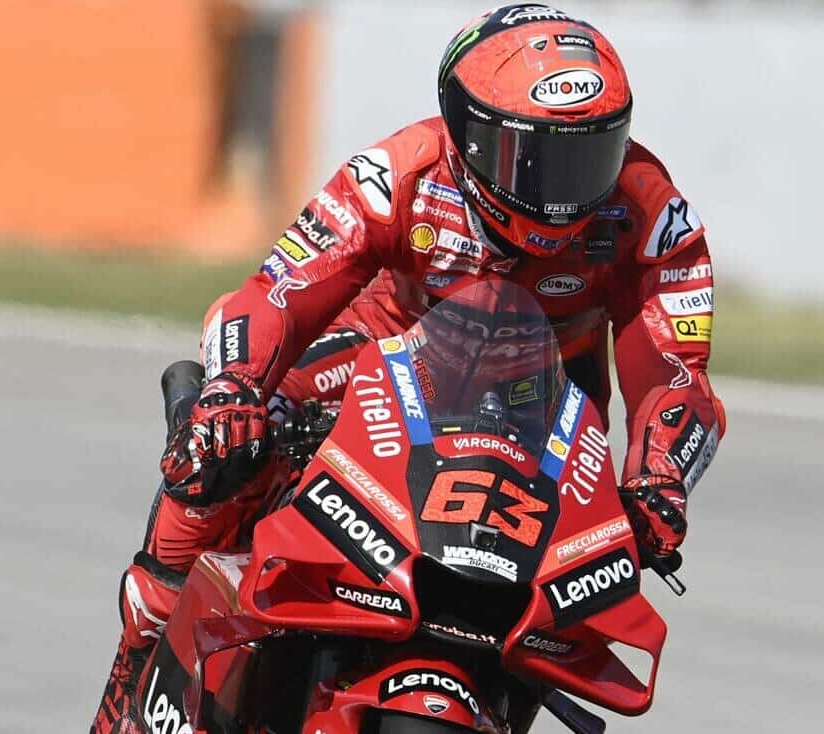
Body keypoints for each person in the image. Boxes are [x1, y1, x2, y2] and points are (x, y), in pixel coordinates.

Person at [90, 5, 726, 732]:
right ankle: (144, 644)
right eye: (531, 158)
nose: (564, 191)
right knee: (217, 452)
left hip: (543, 411)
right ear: (467, 133)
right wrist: (232, 391)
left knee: (580, 588)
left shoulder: (651, 214)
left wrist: (657, 481)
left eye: (591, 156)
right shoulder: (398, 174)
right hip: (377, 360)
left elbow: (679, 375)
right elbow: (277, 293)